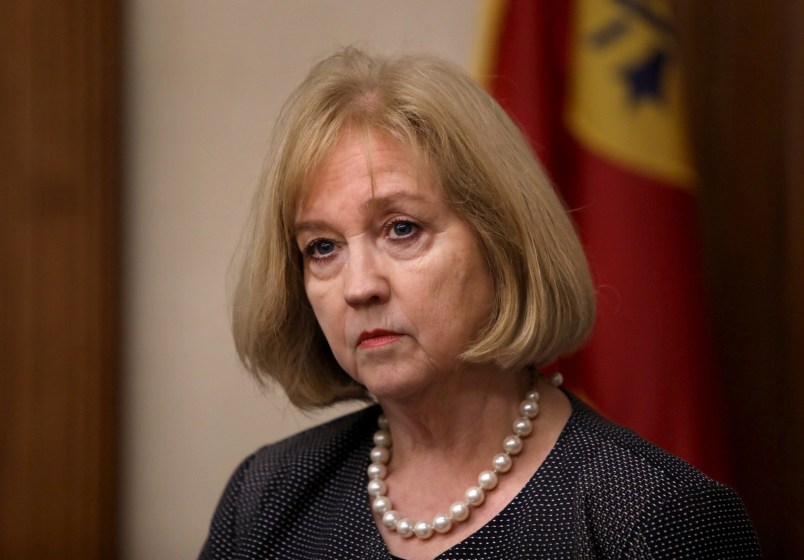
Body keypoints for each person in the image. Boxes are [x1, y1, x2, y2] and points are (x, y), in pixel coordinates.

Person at [199, 48, 760, 559]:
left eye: (401, 229)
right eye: (322, 247)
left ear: (501, 244)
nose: (358, 286)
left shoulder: (657, 517)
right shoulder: (266, 497)